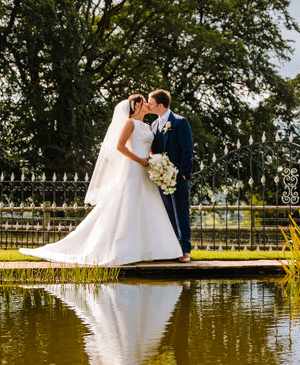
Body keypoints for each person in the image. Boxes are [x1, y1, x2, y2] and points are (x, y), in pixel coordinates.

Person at [20, 94, 182, 266]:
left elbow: (149, 149)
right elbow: (119, 147)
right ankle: (123, 249)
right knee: (129, 205)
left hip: (146, 170)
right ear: (136, 106)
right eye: (144, 101)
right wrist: (139, 160)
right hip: (134, 169)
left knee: (149, 206)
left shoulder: (148, 126)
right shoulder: (130, 123)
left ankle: (151, 250)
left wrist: (156, 164)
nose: (148, 104)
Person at [146, 89, 193, 262]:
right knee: (167, 214)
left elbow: (187, 149)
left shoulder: (180, 122)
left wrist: (183, 174)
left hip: (178, 176)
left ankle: (185, 250)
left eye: (150, 103)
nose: (148, 106)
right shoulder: (154, 125)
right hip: (162, 177)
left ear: (160, 105)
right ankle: (172, 249)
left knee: (181, 212)